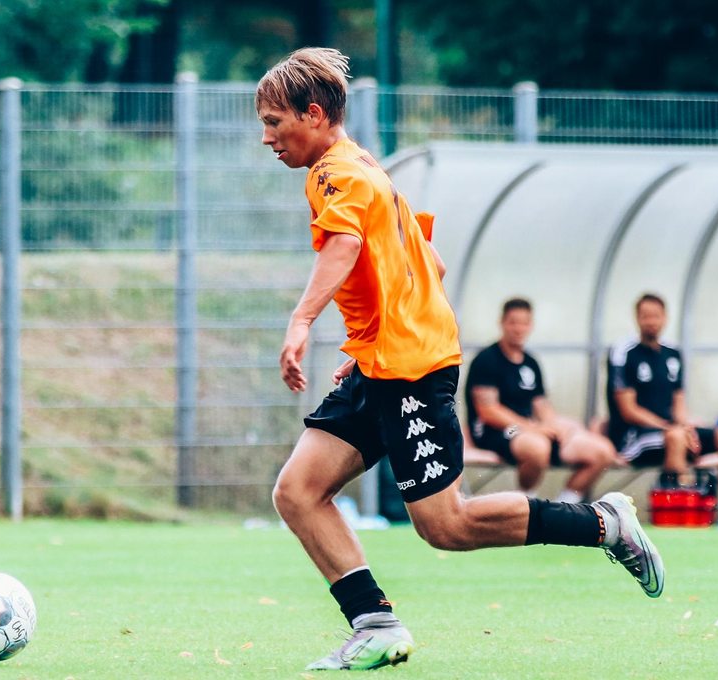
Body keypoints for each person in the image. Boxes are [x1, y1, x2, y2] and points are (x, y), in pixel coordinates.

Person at [259, 47, 665, 672]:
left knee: (447, 525)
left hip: (412, 371)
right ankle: (375, 625)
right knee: (298, 491)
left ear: (313, 114)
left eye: (274, 122)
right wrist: (372, 339)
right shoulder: (367, 168)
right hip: (384, 362)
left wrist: (301, 321)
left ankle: (602, 523)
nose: (267, 138)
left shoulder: (336, 175)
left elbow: (344, 245)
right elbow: (433, 263)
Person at [465, 297, 617, 502]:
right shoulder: (486, 360)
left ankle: (564, 507)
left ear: (531, 325)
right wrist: (532, 427)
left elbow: (540, 403)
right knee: (537, 447)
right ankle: (526, 507)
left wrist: (553, 426)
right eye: (513, 322)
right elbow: (488, 411)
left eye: (524, 323)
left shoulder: (530, 362)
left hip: (531, 429)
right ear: (502, 323)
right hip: (502, 431)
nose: (518, 329)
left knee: (602, 451)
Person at [606, 294, 718, 498]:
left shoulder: (673, 353)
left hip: (670, 430)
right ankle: (678, 504)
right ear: (637, 318)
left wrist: (688, 428)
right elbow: (628, 411)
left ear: (665, 317)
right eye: (646, 316)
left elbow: (678, 402)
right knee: (676, 437)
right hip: (633, 436)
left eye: (656, 316)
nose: (651, 321)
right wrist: (669, 427)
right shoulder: (623, 352)